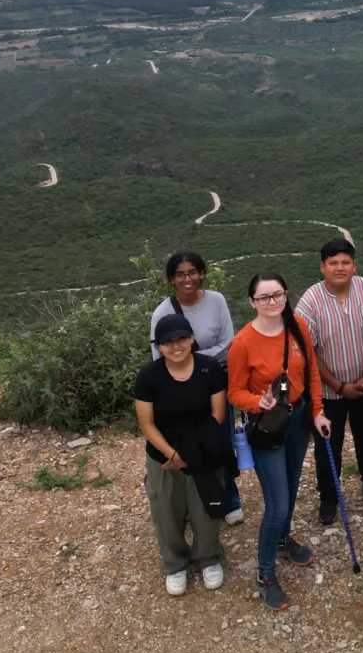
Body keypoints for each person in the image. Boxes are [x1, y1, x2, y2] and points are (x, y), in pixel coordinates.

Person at [228, 272, 331, 610]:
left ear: (286, 295)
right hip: (267, 424)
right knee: (278, 503)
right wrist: (256, 401)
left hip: (298, 418)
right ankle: (266, 572)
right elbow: (234, 392)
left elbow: (311, 373)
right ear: (252, 302)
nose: (272, 302)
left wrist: (317, 412)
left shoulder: (298, 326)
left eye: (278, 295)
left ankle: (284, 541)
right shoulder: (243, 342)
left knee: (291, 483)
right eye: (264, 298)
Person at [296, 237, 363, 526]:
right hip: (328, 390)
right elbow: (307, 352)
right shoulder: (311, 300)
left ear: (354, 265)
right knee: (329, 443)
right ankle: (328, 495)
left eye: (345, 262)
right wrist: (339, 386)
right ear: (322, 267)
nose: (340, 268)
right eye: (333, 263)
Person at [134, 313, 230, 596]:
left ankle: (208, 557)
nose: (176, 346)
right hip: (163, 457)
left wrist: (189, 452)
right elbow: (146, 423)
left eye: (182, 339)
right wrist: (172, 454)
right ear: (159, 346)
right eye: (168, 341)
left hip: (203, 450)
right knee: (166, 509)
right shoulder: (149, 376)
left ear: (192, 339)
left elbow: (218, 414)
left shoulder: (209, 368)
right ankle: (174, 562)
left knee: (206, 507)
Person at [149, 251, 241, 525]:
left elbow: (229, 343)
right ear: (171, 279)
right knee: (185, 445)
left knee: (219, 442)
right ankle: (191, 503)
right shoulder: (162, 312)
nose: (187, 279)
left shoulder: (217, 301)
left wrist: (192, 361)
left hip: (216, 384)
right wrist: (193, 363)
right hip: (179, 392)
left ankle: (229, 499)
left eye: (192, 272)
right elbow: (159, 356)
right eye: (180, 274)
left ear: (202, 274)